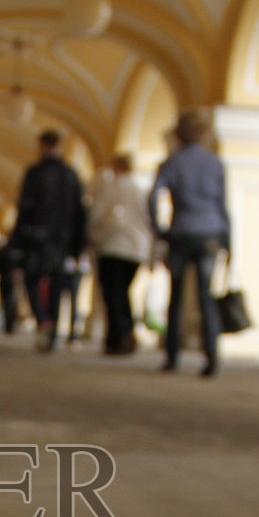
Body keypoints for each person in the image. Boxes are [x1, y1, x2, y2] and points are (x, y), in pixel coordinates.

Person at [150, 109, 231, 376]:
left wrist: (159, 230)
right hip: (210, 233)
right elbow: (223, 206)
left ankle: (172, 356)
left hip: (181, 232)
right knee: (206, 297)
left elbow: (153, 197)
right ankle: (212, 357)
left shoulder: (172, 162)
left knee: (176, 296)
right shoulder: (215, 163)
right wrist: (228, 241)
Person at [11, 128, 87, 352]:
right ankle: (51, 324)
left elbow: (24, 208)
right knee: (57, 284)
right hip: (63, 239)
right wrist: (78, 246)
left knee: (32, 279)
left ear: (41, 145)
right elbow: (81, 212)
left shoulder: (35, 173)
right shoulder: (71, 174)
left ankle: (43, 320)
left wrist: (17, 242)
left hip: (37, 236)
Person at [87, 153, 155, 355]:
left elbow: (97, 212)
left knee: (112, 294)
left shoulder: (112, 187)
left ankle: (118, 337)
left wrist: (90, 235)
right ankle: (124, 334)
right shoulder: (140, 190)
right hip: (136, 249)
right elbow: (149, 220)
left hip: (113, 245)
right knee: (123, 293)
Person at [0, 235, 23, 335]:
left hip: (5, 279)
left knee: (6, 302)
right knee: (14, 300)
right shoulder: (19, 250)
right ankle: (12, 322)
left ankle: (8, 324)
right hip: (16, 280)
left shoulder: (3, 250)